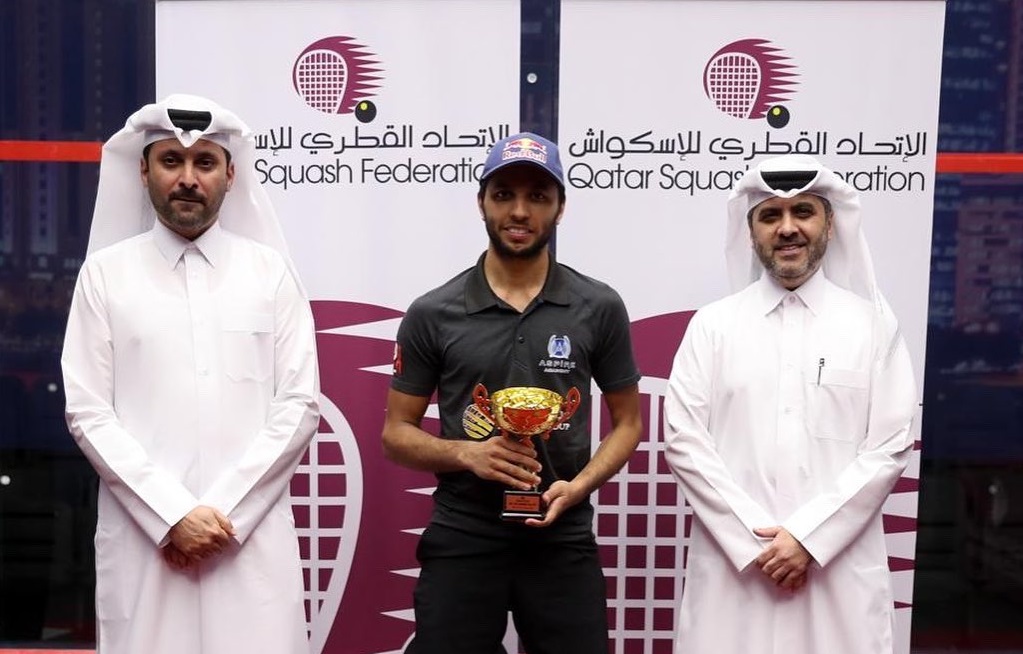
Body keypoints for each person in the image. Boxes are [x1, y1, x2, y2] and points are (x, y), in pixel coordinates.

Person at [61, 94, 319, 654]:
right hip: (145, 543)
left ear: (230, 174)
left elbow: (299, 405)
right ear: (143, 171)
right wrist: (172, 514)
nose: (187, 179)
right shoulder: (105, 276)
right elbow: (86, 410)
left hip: (247, 545)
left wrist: (219, 516)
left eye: (204, 163)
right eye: (171, 162)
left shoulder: (270, 274)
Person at [382, 132, 642, 654]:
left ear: (561, 207)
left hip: (561, 532)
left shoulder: (599, 305)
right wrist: (466, 453)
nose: (519, 211)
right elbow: (395, 435)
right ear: (481, 201)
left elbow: (629, 424)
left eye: (538, 197)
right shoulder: (434, 311)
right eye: (503, 195)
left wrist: (580, 486)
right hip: (464, 531)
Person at [663, 154, 917, 654]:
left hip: (837, 572)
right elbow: (684, 442)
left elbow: (888, 447)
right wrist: (758, 542)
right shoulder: (712, 327)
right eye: (770, 215)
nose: (787, 228)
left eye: (803, 211)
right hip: (735, 572)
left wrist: (808, 538)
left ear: (830, 222)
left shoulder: (873, 327)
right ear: (751, 230)